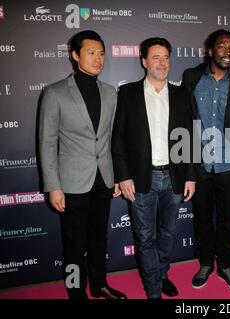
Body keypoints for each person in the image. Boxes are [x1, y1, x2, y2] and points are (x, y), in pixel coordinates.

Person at [39, 30, 127, 299]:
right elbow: (46, 143)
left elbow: (113, 139)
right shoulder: (54, 93)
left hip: (103, 179)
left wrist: (115, 177)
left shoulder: (111, 93)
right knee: (74, 244)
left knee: (99, 237)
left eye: (101, 53)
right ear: (75, 55)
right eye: (91, 52)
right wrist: (53, 186)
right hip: (72, 183)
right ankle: (76, 291)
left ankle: (99, 284)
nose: (98, 58)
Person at [111, 37, 196, 299]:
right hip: (140, 179)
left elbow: (190, 137)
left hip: (174, 177)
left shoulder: (182, 94)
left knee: (168, 234)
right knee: (145, 237)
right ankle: (153, 290)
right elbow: (118, 139)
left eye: (166, 57)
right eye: (156, 57)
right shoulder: (128, 93)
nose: (162, 62)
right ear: (144, 61)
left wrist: (191, 177)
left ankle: (161, 274)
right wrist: (123, 176)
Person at [182, 29, 230, 292]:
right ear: (210, 50)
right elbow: (184, 120)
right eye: (222, 46)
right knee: (201, 218)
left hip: (229, 164)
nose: (228, 52)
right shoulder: (191, 77)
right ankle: (205, 264)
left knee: (227, 218)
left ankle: (225, 265)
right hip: (199, 164)